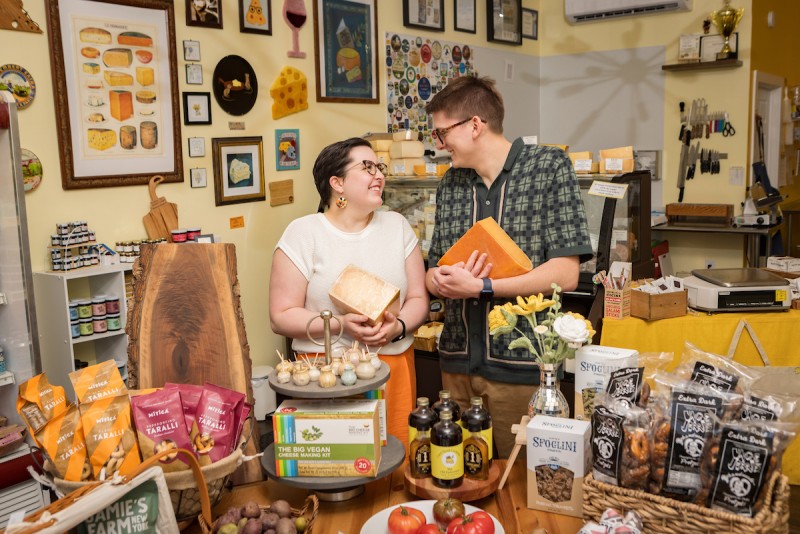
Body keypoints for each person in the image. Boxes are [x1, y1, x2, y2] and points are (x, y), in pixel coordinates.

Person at [424, 76, 593, 458]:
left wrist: (483, 287)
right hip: (455, 366)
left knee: (520, 486)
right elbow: (433, 269)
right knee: (458, 479)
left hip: (521, 369)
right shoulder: (451, 183)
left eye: (441, 133)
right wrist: (437, 279)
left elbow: (565, 274)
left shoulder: (549, 167)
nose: (438, 145)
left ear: (474, 125)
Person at [269, 137, 429, 447]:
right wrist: (339, 324)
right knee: (337, 463)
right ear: (337, 183)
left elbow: (419, 299)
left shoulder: (397, 227)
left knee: (394, 461)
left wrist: (396, 328)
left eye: (379, 167)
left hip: (392, 366)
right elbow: (280, 316)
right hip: (324, 372)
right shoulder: (303, 234)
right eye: (367, 167)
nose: (379, 175)